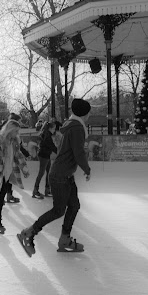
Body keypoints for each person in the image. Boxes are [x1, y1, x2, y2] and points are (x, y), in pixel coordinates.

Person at [17, 99, 92, 257]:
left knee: (74, 205)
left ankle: (64, 239)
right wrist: (86, 169)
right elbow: (79, 152)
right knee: (59, 210)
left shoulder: (72, 125)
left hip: (65, 174)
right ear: (85, 113)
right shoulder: (77, 127)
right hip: (60, 175)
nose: (89, 115)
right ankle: (29, 233)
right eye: (89, 112)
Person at [32, 121, 57, 199]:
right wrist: (60, 152)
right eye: (54, 129)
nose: (54, 130)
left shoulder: (46, 134)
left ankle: (47, 190)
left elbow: (51, 146)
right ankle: (35, 190)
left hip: (45, 155)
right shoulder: (47, 136)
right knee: (41, 173)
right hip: (44, 156)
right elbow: (52, 146)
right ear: (50, 128)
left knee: (49, 172)